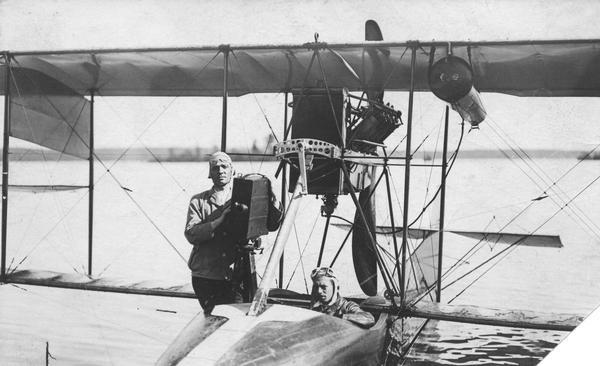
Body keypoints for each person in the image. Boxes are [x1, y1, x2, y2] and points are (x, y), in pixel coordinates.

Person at [184, 151, 241, 314]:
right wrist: (218, 221)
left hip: (235, 275)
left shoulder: (241, 197)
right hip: (206, 276)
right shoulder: (199, 201)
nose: (221, 171)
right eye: (216, 168)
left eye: (224, 167)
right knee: (214, 318)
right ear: (210, 173)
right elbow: (191, 233)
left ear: (232, 170)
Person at [310, 267, 375, 328]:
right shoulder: (317, 307)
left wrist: (341, 317)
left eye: (323, 287)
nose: (319, 291)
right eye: (316, 287)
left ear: (335, 288)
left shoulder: (347, 306)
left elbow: (369, 319)